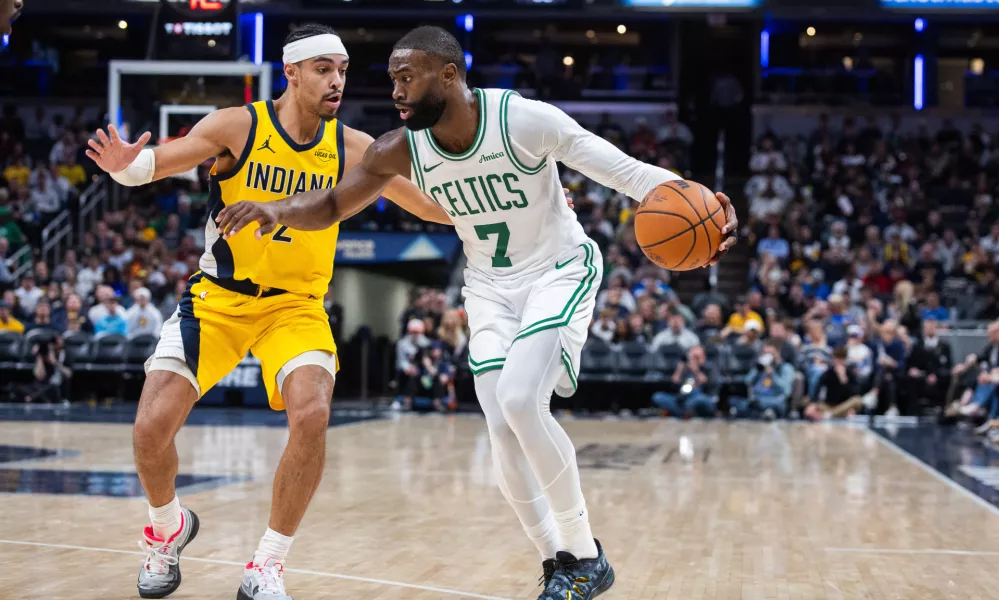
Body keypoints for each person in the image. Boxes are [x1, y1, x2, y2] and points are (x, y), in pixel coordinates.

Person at [214, 25, 737, 600]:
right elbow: (336, 202)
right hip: (488, 286)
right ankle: (557, 560)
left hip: (557, 270)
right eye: (392, 79)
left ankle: (586, 555)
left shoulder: (523, 120)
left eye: (406, 77)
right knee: (503, 433)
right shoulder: (398, 148)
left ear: (448, 75)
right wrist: (276, 210)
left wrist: (705, 204)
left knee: (520, 400)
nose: (396, 91)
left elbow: (629, 174)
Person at [84, 24, 453, 600]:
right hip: (219, 299)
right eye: (323, 69)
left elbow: (428, 205)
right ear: (292, 73)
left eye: (342, 70)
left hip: (297, 307)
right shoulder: (238, 125)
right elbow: (153, 164)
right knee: (149, 430)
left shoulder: (353, 146)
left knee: (312, 414)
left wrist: (507, 206)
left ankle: (267, 564)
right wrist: (125, 166)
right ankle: (167, 528)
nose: (336, 81)